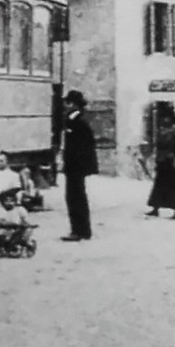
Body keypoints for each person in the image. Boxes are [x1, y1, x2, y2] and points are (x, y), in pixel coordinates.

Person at [56, 89, 98, 241]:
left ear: (74, 104)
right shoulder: (72, 119)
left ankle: (80, 231)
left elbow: (86, 146)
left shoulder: (79, 122)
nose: (66, 106)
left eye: (68, 103)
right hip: (73, 166)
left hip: (77, 166)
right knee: (74, 196)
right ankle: (80, 230)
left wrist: (79, 164)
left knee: (75, 197)